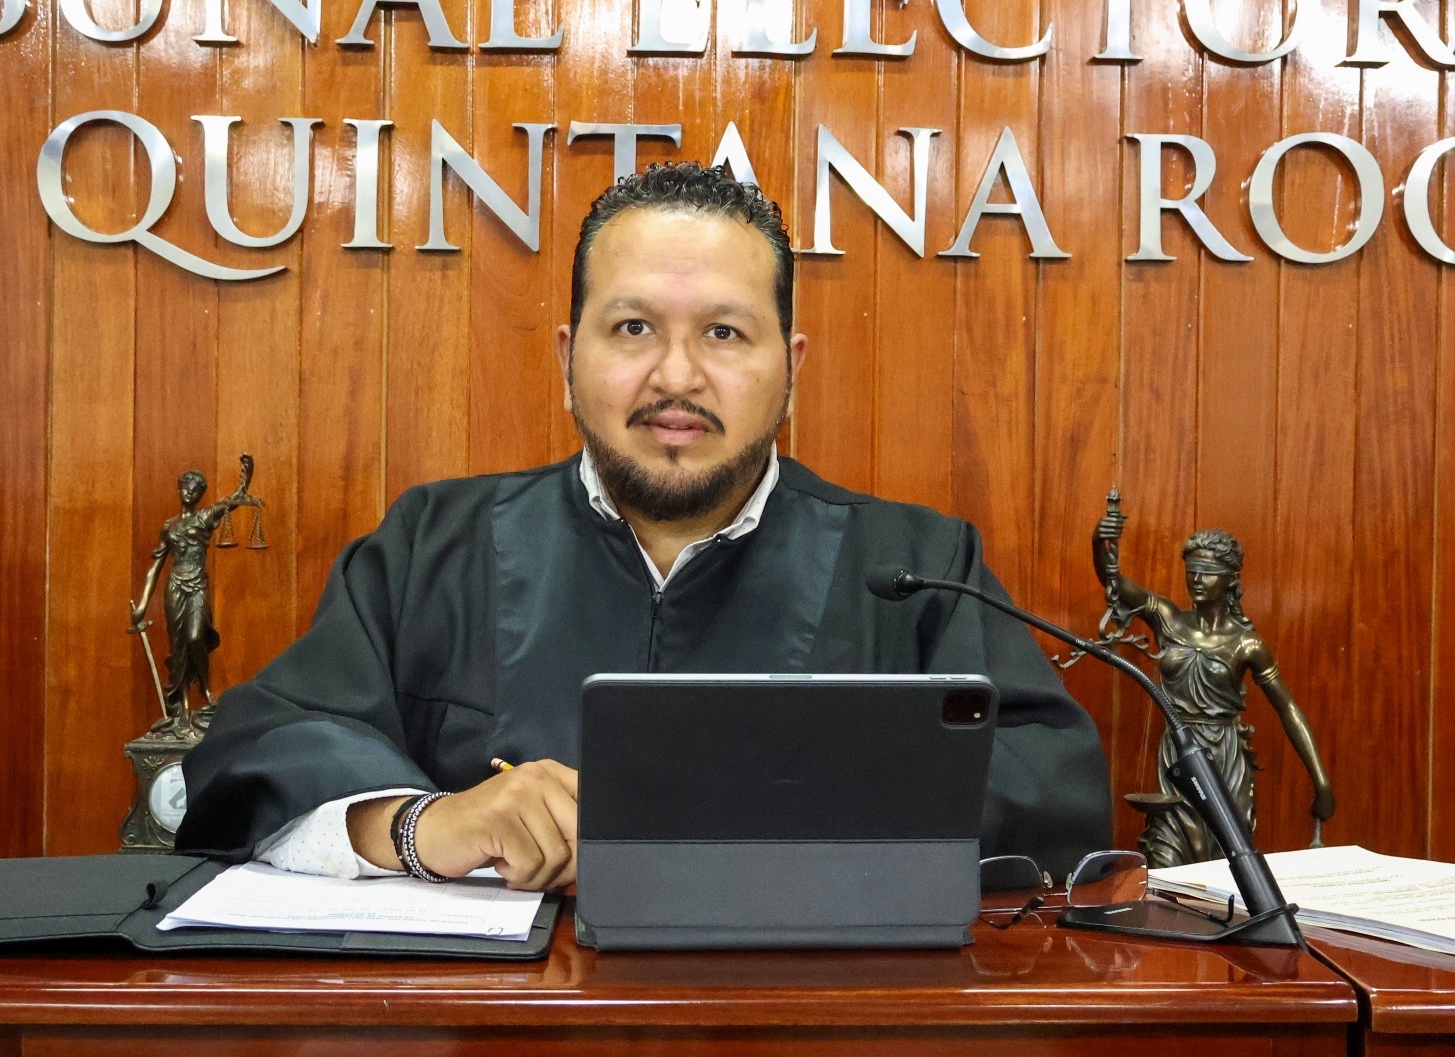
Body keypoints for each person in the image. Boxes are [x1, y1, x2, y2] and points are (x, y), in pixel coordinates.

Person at [177, 163, 1112, 889]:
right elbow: (263, 749)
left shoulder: (917, 568)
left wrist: (758, 816)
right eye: (632, 329)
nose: (675, 377)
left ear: (791, 369)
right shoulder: (432, 545)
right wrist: (425, 827)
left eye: (723, 333)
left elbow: (1047, 793)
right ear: (566, 358)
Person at [1091, 512, 1334, 866]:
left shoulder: (1247, 644)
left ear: (1230, 578)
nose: (1197, 580)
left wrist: (1321, 781)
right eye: (1191, 571)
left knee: (1225, 864)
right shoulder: (1168, 618)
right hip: (1178, 755)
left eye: (1207, 572)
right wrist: (1099, 541)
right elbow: (1113, 580)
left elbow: (1287, 709)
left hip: (1224, 760)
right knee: (1165, 860)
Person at [130, 455, 254, 736]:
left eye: (195, 488)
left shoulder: (204, 518)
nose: (189, 491)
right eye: (185, 486)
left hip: (197, 584)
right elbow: (155, 567)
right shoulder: (169, 526)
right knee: (178, 646)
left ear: (200, 494)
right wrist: (142, 606)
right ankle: (183, 708)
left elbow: (233, 501)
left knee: (196, 636)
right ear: (179, 489)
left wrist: (247, 478)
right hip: (175, 587)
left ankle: (207, 690)